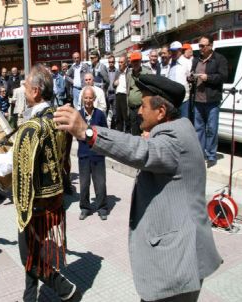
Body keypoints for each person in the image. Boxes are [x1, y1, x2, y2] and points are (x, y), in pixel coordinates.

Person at [54, 74, 222, 302]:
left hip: (176, 266)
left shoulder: (173, 139)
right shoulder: (180, 128)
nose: (139, 111)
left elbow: (141, 151)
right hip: (181, 260)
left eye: (143, 106)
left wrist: (88, 132)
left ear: (161, 112)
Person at [0, 65, 82, 302]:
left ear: (37, 91)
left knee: (28, 256)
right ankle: (29, 298)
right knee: (33, 251)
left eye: (26, 86)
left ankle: (66, 290)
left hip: (35, 205)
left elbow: (10, 164)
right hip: (53, 200)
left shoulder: (33, 127)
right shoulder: (57, 118)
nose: (23, 89)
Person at [190, 35, 228, 168]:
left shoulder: (219, 59)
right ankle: (200, 155)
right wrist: (191, 78)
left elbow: (223, 76)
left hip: (212, 100)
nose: (200, 48)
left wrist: (208, 78)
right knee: (198, 129)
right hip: (198, 100)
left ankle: (211, 155)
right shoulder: (196, 60)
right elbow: (192, 73)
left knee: (211, 129)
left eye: (202, 46)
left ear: (210, 46)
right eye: (199, 45)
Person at [77, 86, 108, 221]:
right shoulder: (78, 114)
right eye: (86, 98)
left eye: (90, 98)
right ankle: (85, 208)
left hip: (97, 154)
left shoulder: (100, 114)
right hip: (83, 153)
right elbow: (75, 131)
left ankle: (102, 207)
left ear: (94, 99)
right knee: (84, 183)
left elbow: (105, 132)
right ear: (82, 99)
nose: (88, 100)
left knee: (100, 183)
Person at [126, 52, 151, 136]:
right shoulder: (129, 74)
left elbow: (151, 90)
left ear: (140, 61)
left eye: (137, 61)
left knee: (144, 130)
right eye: (133, 61)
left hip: (142, 107)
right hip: (132, 108)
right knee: (134, 131)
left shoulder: (147, 73)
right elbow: (128, 89)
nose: (135, 63)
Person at [168, 41, 192, 119]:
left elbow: (191, 79)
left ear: (180, 51)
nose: (173, 53)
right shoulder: (170, 64)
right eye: (171, 51)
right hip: (171, 100)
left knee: (183, 122)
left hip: (183, 100)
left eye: (175, 51)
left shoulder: (187, 63)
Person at [113, 54, 129, 132]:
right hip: (118, 95)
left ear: (126, 63)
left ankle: (128, 133)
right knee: (118, 117)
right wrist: (114, 84)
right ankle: (119, 133)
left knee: (126, 117)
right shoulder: (117, 72)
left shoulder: (129, 72)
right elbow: (113, 84)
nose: (119, 64)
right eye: (119, 62)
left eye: (121, 62)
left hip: (125, 96)